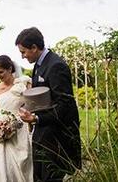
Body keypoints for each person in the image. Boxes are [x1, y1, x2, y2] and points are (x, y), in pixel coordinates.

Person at [16, 27, 81, 182]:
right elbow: (42, 98)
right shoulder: (39, 64)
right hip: (43, 135)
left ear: (34, 47)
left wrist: (35, 118)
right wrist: (28, 107)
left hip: (56, 138)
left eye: (24, 52)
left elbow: (64, 105)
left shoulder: (56, 65)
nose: (23, 56)